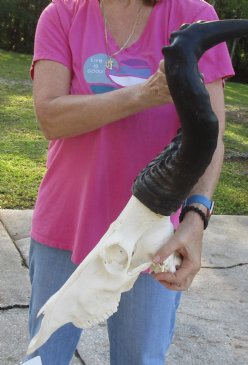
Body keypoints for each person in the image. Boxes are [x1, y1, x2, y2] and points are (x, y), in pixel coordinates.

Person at [26, 0, 234, 364]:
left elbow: (209, 132)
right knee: (46, 356)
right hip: (66, 224)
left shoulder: (193, 16)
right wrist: (144, 94)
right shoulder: (61, 14)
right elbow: (51, 117)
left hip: (153, 236)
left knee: (140, 358)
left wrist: (197, 216)